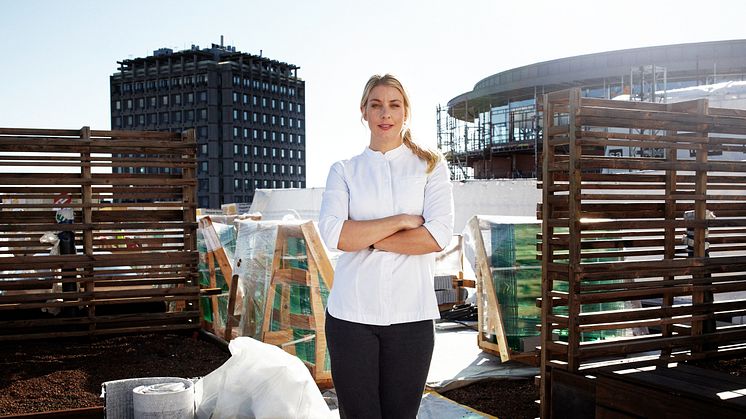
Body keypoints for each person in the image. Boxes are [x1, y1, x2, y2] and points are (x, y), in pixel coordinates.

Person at [318, 74, 454, 418]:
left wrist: (368, 239)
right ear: (363, 111)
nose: (385, 113)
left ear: (406, 112)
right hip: (351, 317)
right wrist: (400, 221)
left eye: (394, 105)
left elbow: (437, 236)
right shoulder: (344, 170)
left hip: (412, 317)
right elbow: (335, 235)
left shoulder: (431, 167)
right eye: (376, 105)